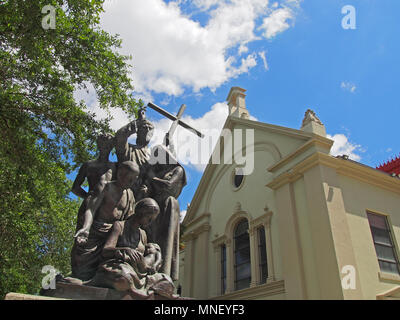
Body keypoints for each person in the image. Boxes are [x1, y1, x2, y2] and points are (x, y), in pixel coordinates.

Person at [91, 198, 177, 299]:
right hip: (118, 266)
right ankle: (140, 291)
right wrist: (125, 250)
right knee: (124, 278)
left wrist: (151, 266)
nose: (150, 222)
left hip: (140, 272)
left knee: (167, 282)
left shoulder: (143, 234)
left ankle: (140, 289)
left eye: (152, 220)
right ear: (140, 212)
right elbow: (106, 251)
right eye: (149, 218)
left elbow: (145, 258)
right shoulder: (119, 226)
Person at [71, 161, 140, 281]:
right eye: (126, 177)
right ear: (119, 174)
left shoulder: (130, 195)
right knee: (82, 273)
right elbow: (90, 209)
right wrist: (86, 228)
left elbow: (128, 220)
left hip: (113, 236)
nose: (129, 182)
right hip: (95, 233)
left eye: (132, 180)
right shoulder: (105, 187)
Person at [141, 144, 187, 281]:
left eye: (160, 155)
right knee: (151, 239)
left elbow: (168, 186)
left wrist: (152, 178)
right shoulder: (157, 171)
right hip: (153, 207)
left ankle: (163, 271)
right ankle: (146, 269)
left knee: (165, 240)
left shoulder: (177, 170)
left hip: (167, 207)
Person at [71, 134, 116, 233]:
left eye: (108, 146)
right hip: (89, 204)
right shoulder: (89, 165)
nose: (105, 148)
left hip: (108, 208)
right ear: (98, 145)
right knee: (83, 237)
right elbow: (75, 187)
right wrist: (89, 196)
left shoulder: (114, 167)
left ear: (112, 147)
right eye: (103, 145)